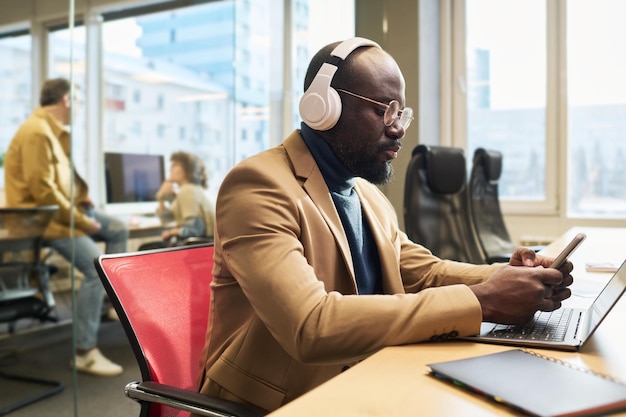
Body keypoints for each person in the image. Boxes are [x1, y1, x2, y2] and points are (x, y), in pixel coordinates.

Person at [195, 37, 573, 413]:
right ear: (323, 106)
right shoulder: (258, 185)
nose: (398, 129)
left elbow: (425, 274)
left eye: (402, 114)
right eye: (384, 110)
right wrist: (485, 300)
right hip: (275, 404)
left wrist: (511, 277)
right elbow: (310, 326)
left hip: (364, 379)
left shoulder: (366, 195)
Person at [4, 78, 129, 376]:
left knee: (118, 229)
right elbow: (43, 192)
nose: (79, 108)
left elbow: (61, 182)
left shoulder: (53, 132)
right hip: (42, 221)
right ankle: (85, 350)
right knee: (95, 269)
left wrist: (81, 200)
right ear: (65, 100)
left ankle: (111, 304)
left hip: (63, 213)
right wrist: (83, 221)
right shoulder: (37, 132)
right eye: (78, 101)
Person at [151, 151, 214, 247]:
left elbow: (195, 229)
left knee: (147, 248)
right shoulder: (190, 190)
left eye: (175, 165)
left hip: (195, 246)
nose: (170, 168)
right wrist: (161, 198)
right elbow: (167, 219)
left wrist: (171, 232)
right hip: (199, 244)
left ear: (188, 170)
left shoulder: (187, 191)